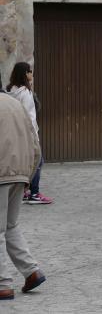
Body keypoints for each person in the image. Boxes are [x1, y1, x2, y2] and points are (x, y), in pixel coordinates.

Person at [0, 84, 46, 300]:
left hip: (1, 175)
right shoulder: (17, 105)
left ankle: (3, 283)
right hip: (19, 174)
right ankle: (31, 271)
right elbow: (35, 143)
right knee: (10, 226)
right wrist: (28, 176)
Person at [6, 63, 52, 205]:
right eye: (30, 71)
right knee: (38, 161)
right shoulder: (25, 92)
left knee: (24, 162)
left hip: (15, 132)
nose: (32, 74)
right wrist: (33, 135)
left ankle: (24, 191)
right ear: (25, 73)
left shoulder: (10, 90)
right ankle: (34, 192)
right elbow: (28, 116)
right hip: (28, 132)